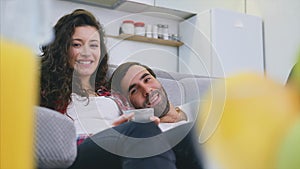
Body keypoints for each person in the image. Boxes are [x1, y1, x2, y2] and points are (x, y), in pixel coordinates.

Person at [39, 9, 202, 169]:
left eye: (94, 45)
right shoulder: (47, 90)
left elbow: (151, 115)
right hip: (79, 151)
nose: (87, 52)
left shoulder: (111, 95)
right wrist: (119, 132)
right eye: (77, 44)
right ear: (62, 49)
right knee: (140, 129)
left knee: (189, 135)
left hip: (122, 146)